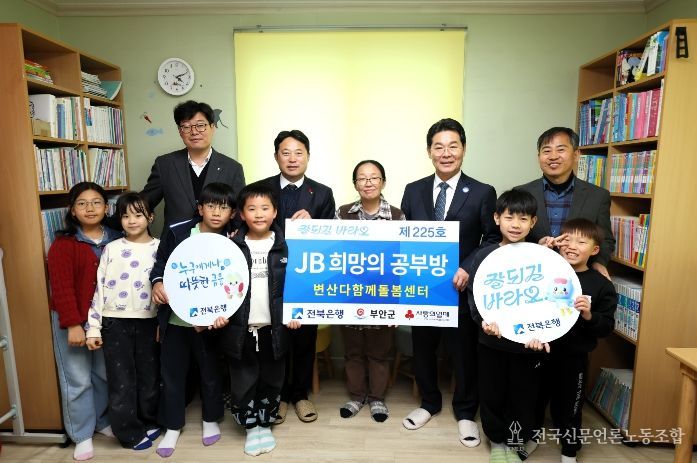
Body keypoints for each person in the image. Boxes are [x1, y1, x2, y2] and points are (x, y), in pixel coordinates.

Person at [400, 118, 499, 446]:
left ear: (464, 149)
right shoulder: (413, 190)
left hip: (461, 288)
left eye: (453, 146)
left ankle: (466, 412)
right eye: (439, 147)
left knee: (463, 354)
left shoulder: (483, 192)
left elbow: (492, 238)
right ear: (429, 151)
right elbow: (402, 236)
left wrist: (468, 267)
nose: (446, 153)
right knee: (423, 349)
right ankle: (428, 403)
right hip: (422, 288)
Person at [149, 182, 236, 458]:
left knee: (211, 372)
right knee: (172, 374)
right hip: (176, 320)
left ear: (233, 213)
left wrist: (217, 315)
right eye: (210, 206)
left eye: (224, 207)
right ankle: (172, 425)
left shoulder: (234, 239)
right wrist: (157, 282)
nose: (216, 212)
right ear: (200, 208)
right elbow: (160, 264)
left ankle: (211, 418)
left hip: (210, 323)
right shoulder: (178, 231)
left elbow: (236, 282)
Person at [258, 129, 335, 424]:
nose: (292, 159)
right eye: (286, 153)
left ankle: (301, 395)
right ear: (276, 156)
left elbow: (331, 239)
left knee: (304, 338)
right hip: (269, 275)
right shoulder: (261, 189)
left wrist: (313, 225)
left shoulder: (323, 193)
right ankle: (277, 397)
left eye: (298, 153)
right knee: (274, 337)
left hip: (306, 277)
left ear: (308, 156)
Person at [467, 189, 550, 463]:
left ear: (533, 222)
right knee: (491, 394)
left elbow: (550, 300)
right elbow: (474, 296)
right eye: (509, 217)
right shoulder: (484, 255)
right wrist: (483, 323)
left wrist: (544, 333)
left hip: (527, 346)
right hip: (491, 341)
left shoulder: (541, 257)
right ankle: (496, 440)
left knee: (523, 397)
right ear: (496, 218)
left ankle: (515, 442)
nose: (515, 224)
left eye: (523, 219)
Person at [219, 182, 296, 456]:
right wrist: (216, 313)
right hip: (241, 328)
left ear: (275, 212)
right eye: (252, 209)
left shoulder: (287, 246)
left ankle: (266, 422)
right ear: (241, 214)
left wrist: (296, 313)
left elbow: (298, 285)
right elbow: (218, 286)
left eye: (265, 208)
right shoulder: (231, 246)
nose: (259, 214)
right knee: (243, 379)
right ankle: (250, 427)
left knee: (273, 378)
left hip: (275, 328)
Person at [47, 182, 122, 461]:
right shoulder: (63, 245)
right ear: (72, 210)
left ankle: (101, 422)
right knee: (77, 379)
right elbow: (61, 289)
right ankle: (81, 434)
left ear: (107, 208)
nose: (90, 208)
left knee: (103, 375)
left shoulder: (117, 239)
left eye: (96, 202)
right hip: (74, 320)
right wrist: (73, 324)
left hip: (106, 321)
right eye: (82, 203)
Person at [533, 218, 617, 463]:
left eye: (581, 242)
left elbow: (606, 326)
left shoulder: (601, 285)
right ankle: (528, 436)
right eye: (567, 240)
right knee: (533, 398)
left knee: (570, 404)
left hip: (574, 356)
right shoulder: (544, 272)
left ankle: (569, 450)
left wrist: (589, 315)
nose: (572, 246)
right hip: (539, 351)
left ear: (595, 250)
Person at [85, 192, 161, 451]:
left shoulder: (161, 247)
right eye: (125, 216)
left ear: (150, 217)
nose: (132, 220)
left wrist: (162, 325)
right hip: (115, 322)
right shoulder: (112, 248)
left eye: (138, 215)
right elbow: (99, 288)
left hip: (149, 321)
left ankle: (149, 420)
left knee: (149, 376)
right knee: (121, 380)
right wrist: (93, 327)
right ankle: (128, 433)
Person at [335, 160, 404, 422]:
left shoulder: (397, 215)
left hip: (384, 295)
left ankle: (377, 399)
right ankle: (356, 397)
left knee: (379, 352)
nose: (368, 183)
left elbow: (402, 260)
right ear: (355, 184)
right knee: (353, 351)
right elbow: (333, 253)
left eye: (374, 177)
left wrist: (397, 305)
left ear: (383, 182)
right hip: (350, 294)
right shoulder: (342, 213)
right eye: (362, 178)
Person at [515, 127, 615, 279]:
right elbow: (509, 236)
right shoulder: (520, 193)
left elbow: (606, 239)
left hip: (578, 277)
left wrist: (598, 262)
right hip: (530, 275)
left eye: (561, 150)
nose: (553, 156)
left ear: (576, 154)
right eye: (546, 151)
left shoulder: (598, 196)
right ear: (539, 156)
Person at [141, 100, 245, 237]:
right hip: (175, 242)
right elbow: (143, 203)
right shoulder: (165, 164)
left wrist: (238, 238)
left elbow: (240, 212)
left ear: (212, 127)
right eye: (186, 127)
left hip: (218, 242)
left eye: (200, 125)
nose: (194, 132)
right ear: (180, 131)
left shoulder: (232, 168)